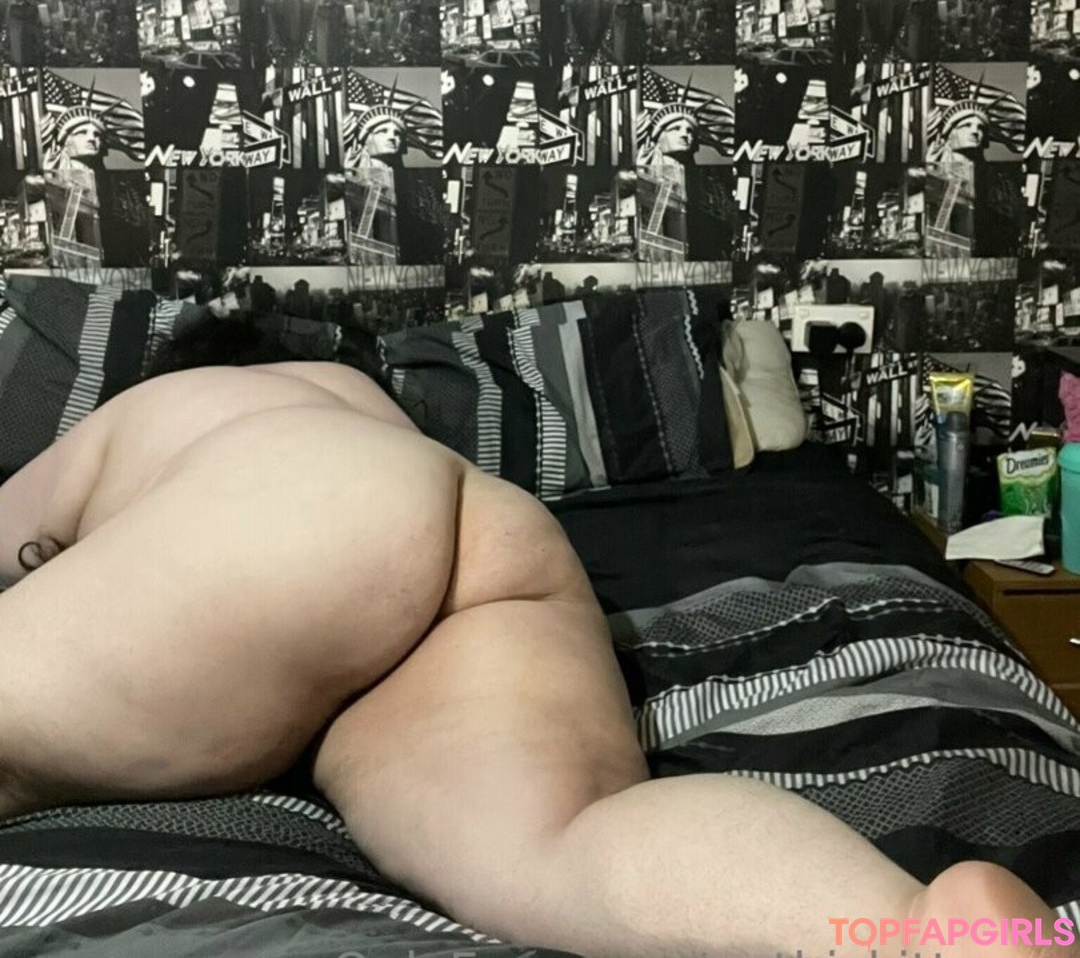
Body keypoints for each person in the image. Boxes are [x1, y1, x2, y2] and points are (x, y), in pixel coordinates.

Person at [0, 314, 1069, 958]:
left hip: (295, 510)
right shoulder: (364, 402)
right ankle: (921, 927)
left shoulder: (164, 403)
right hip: (487, 538)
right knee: (559, 840)